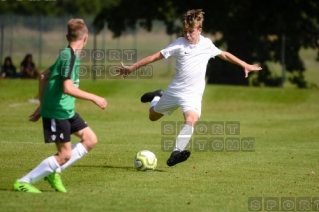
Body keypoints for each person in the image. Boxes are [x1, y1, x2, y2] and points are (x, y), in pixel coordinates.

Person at [117, 9, 262, 167]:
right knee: (153, 116)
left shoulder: (206, 44)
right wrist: (132, 68)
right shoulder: (179, 44)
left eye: (191, 31)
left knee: (191, 119)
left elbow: (224, 54)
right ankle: (157, 96)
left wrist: (245, 65)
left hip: (193, 95)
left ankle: (176, 152)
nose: (187, 34)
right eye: (185, 31)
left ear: (199, 29)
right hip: (175, 90)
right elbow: (154, 57)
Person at [13, 19, 107, 193]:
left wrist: (42, 106)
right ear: (85, 38)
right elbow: (68, 87)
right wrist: (94, 97)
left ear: (66, 36)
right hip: (58, 112)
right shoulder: (69, 57)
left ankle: (54, 171)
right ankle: (24, 182)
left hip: (65, 110)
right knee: (64, 155)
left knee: (90, 139)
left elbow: (43, 76)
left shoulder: (66, 54)